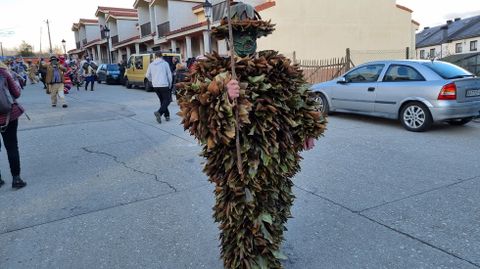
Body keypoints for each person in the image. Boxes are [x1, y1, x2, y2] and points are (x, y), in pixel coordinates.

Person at [176, 3, 326, 268]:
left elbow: (299, 99)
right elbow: (192, 116)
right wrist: (221, 95)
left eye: (250, 35)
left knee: (272, 211)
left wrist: (308, 130)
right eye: (240, 35)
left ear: (258, 37)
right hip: (235, 166)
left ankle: (267, 257)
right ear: (229, 39)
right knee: (240, 222)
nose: (246, 42)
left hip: (275, 161)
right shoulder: (211, 72)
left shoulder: (277, 67)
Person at [0, 61, 27, 189]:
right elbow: (16, 93)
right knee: (11, 147)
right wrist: (16, 82)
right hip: (8, 116)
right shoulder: (4, 73)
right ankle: (16, 179)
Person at [146, 52, 172, 124]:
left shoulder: (151, 64)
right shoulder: (165, 64)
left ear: (155, 56)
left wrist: (152, 80)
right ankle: (159, 113)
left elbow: (147, 75)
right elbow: (169, 75)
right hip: (164, 84)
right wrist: (170, 84)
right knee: (167, 100)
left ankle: (167, 116)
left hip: (155, 85)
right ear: (161, 56)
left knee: (162, 100)